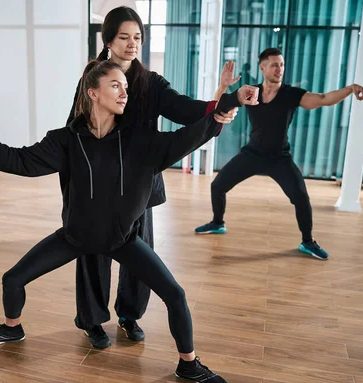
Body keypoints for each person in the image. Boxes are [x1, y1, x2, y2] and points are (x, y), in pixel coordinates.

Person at [0, 60, 258, 383]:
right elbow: (15, 161)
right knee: (12, 280)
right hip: (74, 238)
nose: (124, 92)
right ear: (93, 93)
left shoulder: (140, 141)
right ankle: (13, 328)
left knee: (176, 295)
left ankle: (189, 364)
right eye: (115, 86)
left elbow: (190, 134)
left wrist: (231, 101)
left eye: (125, 87)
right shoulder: (65, 141)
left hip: (123, 241)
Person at [66, 6, 239, 349]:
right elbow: (75, 128)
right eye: (124, 37)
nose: (132, 44)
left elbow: (186, 109)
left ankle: (129, 315)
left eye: (138, 37)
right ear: (109, 40)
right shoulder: (92, 80)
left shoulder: (151, 83)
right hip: (96, 184)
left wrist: (220, 103)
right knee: (93, 252)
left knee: (140, 253)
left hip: (139, 185)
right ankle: (92, 320)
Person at [195, 48, 363, 261]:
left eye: (282, 65)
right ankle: (218, 223)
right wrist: (223, 86)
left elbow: (324, 99)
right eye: (275, 64)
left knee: (301, 198)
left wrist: (350, 88)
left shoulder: (291, 94)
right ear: (263, 67)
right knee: (217, 186)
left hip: (279, 158)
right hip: (252, 154)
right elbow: (219, 106)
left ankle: (308, 241)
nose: (280, 69)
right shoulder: (250, 92)